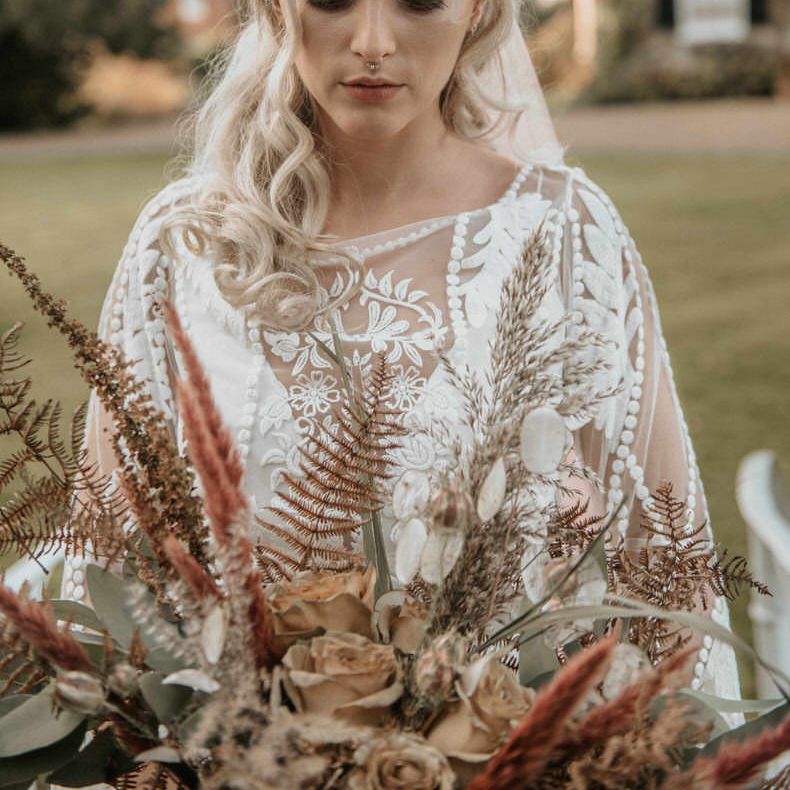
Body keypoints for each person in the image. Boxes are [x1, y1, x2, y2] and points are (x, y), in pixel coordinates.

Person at [60, 0, 740, 702]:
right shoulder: (183, 245)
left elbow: (664, 568)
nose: (373, 42)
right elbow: (106, 562)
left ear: (477, 10)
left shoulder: (565, 233)